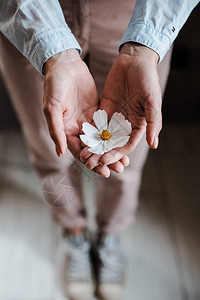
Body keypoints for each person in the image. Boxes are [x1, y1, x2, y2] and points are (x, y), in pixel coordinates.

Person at [0, 0, 199, 299]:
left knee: (126, 155)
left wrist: (143, 46)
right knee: (49, 148)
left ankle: (110, 234)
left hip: (136, 16)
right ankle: (73, 232)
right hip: (29, 17)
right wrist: (53, 51)